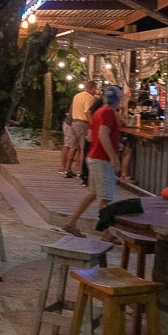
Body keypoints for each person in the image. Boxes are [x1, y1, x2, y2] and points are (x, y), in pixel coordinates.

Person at [61, 85, 122, 237]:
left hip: (94, 157)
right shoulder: (107, 112)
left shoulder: (98, 112)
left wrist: (113, 143)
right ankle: (105, 233)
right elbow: (102, 134)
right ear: (117, 98)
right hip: (102, 159)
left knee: (93, 194)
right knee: (106, 197)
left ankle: (71, 222)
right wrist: (114, 157)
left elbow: (90, 137)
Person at [62, 80, 98, 179]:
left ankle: (68, 169)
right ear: (91, 88)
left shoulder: (77, 96)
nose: (96, 91)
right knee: (82, 149)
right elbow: (87, 112)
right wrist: (93, 124)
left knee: (73, 147)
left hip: (74, 123)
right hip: (82, 123)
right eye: (95, 88)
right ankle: (81, 171)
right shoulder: (89, 97)